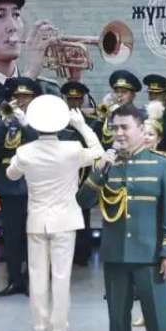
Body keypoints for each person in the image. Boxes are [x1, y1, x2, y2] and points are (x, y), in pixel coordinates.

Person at [78, 103, 166, 331]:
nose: (119, 133)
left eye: (125, 127)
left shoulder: (161, 165)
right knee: (117, 320)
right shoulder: (107, 164)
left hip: (150, 256)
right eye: (115, 127)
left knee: (159, 318)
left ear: (140, 129)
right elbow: (83, 201)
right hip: (115, 255)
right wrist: (98, 172)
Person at [8, 94, 104, 331]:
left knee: (37, 277)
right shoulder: (71, 149)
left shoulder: (24, 151)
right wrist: (82, 126)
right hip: (65, 219)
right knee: (61, 278)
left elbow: (11, 174)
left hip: (37, 220)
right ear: (62, 124)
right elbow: (99, 154)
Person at [0, 77, 41, 297]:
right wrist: (4, 123)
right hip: (8, 184)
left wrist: (24, 123)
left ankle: (30, 281)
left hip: (32, 184)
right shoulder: (3, 116)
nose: (21, 101)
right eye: (18, 97)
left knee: (32, 237)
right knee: (11, 237)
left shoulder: (40, 118)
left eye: (26, 97)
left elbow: (40, 144)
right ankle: (14, 280)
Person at [60, 80, 100, 267]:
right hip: (61, 177)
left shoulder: (90, 122)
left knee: (83, 217)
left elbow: (96, 150)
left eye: (77, 99)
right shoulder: (57, 122)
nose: (73, 103)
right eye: (70, 99)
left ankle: (82, 254)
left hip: (82, 175)